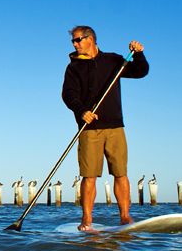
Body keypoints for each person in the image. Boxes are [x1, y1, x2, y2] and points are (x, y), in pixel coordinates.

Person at [62, 26, 148, 231]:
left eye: (78, 40)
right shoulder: (73, 68)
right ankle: (87, 220)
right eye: (73, 41)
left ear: (90, 39)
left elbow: (140, 72)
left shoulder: (112, 60)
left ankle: (125, 217)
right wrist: (82, 111)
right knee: (89, 176)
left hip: (115, 125)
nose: (75, 44)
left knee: (120, 173)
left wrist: (139, 54)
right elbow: (68, 94)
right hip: (89, 128)